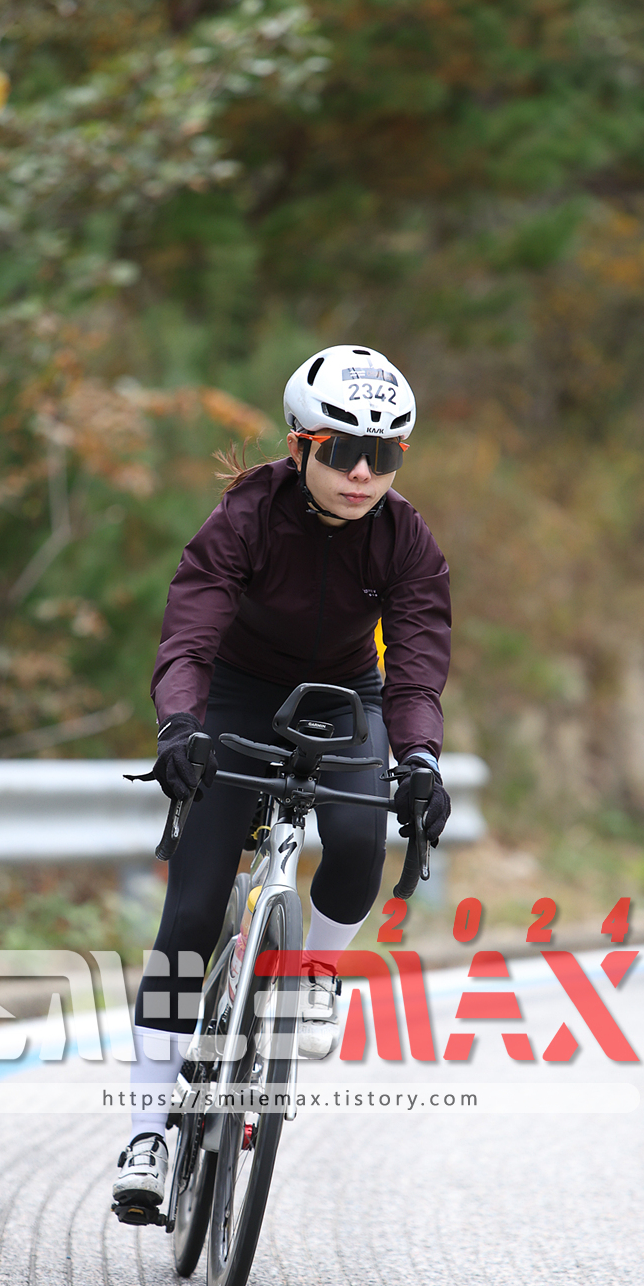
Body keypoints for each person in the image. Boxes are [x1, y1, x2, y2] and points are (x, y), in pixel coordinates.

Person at [111, 344, 454, 1216]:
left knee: (358, 843)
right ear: (301, 446)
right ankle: (147, 1131)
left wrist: (419, 758)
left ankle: (313, 973)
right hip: (234, 692)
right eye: (342, 450)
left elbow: (417, 668)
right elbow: (189, 635)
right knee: (191, 912)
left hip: (345, 697)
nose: (363, 472)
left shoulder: (405, 539)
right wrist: (180, 725)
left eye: (384, 454)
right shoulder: (246, 516)